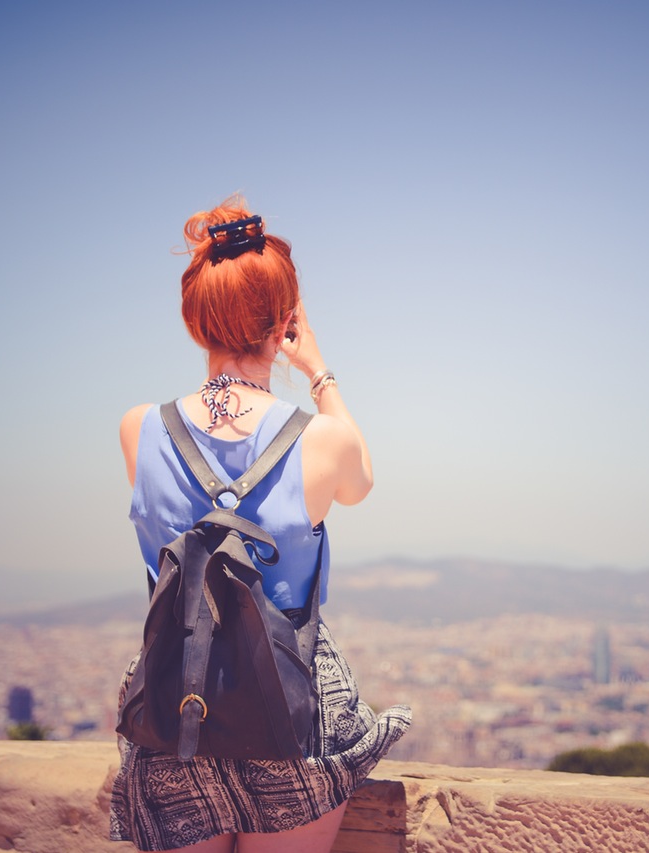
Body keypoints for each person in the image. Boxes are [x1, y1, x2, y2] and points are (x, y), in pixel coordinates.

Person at [109, 197, 411, 852]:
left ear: (196, 322)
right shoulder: (322, 439)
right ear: (283, 323)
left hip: (173, 705)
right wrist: (318, 373)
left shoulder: (140, 427)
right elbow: (360, 482)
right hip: (292, 710)